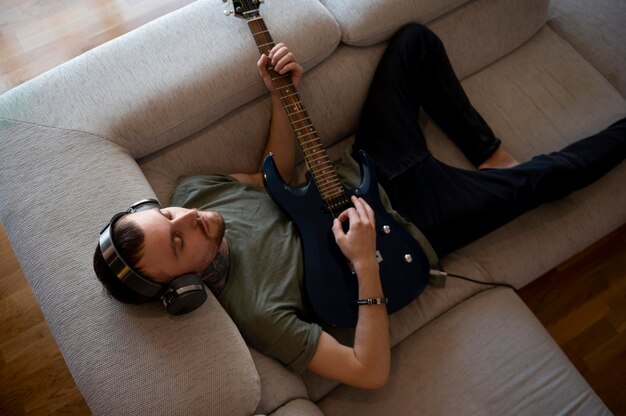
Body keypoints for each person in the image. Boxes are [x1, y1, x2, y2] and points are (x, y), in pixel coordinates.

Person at [93, 24, 626, 389]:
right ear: (184, 289)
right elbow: (368, 372)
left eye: (165, 215)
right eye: (180, 242)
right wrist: (367, 266)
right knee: (555, 176)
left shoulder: (191, 192)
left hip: (367, 162)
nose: (189, 219)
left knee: (414, 41)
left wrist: (282, 95)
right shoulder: (257, 313)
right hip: (414, 227)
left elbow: (274, 176)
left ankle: (489, 153)